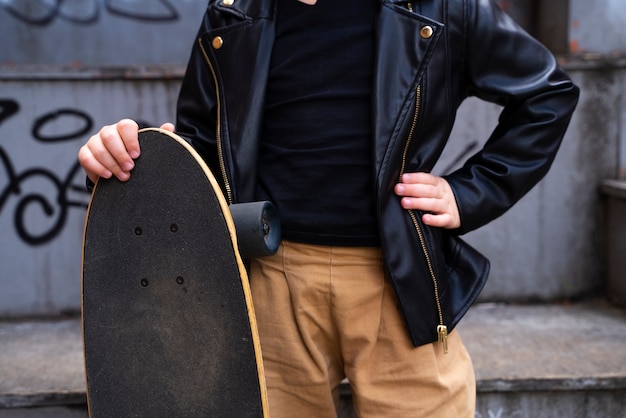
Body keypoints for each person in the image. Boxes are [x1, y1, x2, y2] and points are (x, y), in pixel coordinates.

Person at [78, 0, 579, 416]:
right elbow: (200, 151)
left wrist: (469, 192)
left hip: (399, 285)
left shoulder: (442, 5)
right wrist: (133, 157)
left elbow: (548, 94)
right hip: (269, 284)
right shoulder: (233, 13)